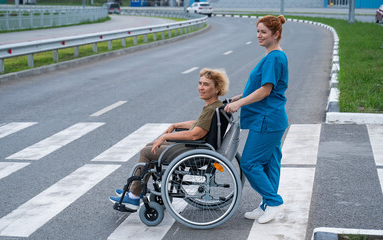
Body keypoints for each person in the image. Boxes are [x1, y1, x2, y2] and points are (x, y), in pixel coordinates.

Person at [110, 68, 229, 210]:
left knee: (147, 152)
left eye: (206, 84)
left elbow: (195, 134)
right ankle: (135, 189)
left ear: (217, 89)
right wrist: (175, 125)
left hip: (195, 150)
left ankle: (134, 197)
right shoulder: (214, 106)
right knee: (151, 145)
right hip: (197, 147)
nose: (201, 88)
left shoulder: (211, 109)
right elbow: (198, 124)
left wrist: (166, 136)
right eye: (200, 83)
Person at [224, 15, 289, 224]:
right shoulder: (275, 55)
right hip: (272, 118)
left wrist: (238, 104)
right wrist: (241, 96)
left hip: (267, 119)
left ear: (275, 34)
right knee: (270, 164)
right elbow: (263, 87)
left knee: (250, 163)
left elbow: (265, 90)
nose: (258, 35)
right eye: (258, 31)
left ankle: (274, 202)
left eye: (263, 32)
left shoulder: (273, 58)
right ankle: (266, 205)